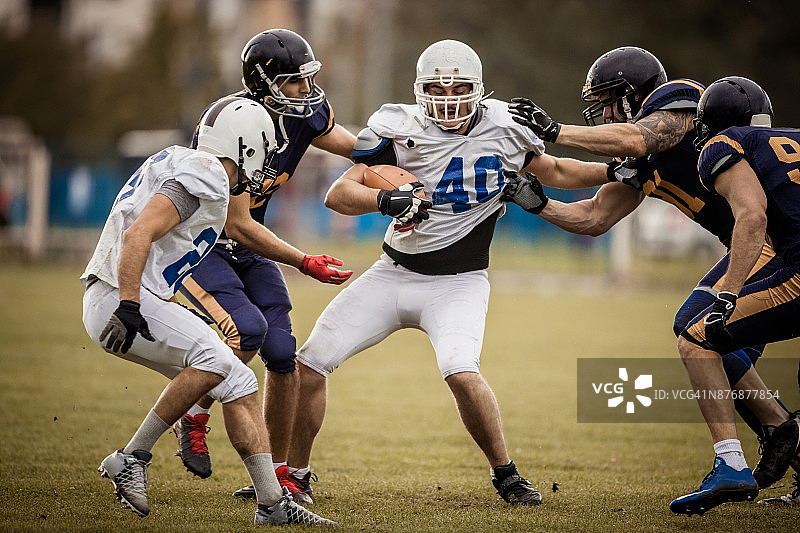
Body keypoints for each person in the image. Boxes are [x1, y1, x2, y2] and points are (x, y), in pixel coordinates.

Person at [504, 46, 796, 495]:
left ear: (631, 93)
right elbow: (594, 216)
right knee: (712, 347)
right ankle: (779, 432)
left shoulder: (677, 102)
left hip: (771, 245)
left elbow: (639, 138)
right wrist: (541, 204)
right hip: (755, 246)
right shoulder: (642, 160)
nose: (601, 113)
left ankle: (763, 441)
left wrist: (557, 129)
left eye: (606, 101)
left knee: (696, 332)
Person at [277, 38, 547, 507]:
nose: (448, 99)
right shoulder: (397, 128)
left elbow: (559, 169)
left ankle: (506, 474)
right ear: (419, 90)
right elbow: (338, 194)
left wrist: (612, 171)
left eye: (459, 88)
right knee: (310, 362)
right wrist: (385, 199)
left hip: (458, 282)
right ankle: (294, 475)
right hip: (392, 272)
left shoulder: (506, 126)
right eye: (437, 90)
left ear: (478, 89)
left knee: (461, 372)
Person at [82, 97, 336, 527]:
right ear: (246, 147)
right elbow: (140, 232)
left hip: (133, 294)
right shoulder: (206, 175)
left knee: (237, 379)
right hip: (121, 297)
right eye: (264, 150)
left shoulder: (193, 164)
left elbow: (238, 226)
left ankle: (272, 505)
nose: (267, 163)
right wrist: (128, 304)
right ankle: (131, 458)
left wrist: (302, 260)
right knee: (217, 359)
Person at [175, 29, 356, 502]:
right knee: (248, 331)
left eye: (307, 79)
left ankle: (278, 475)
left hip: (250, 245)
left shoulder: (305, 113)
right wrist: (303, 260)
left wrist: (411, 154)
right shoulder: (231, 122)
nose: (307, 90)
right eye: (295, 81)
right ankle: (191, 415)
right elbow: (234, 224)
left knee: (281, 351)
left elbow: (352, 145)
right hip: (205, 244)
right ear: (266, 82)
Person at [669, 76, 800, 514]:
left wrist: (728, 294)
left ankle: (730, 465)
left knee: (697, 336)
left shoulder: (721, 145)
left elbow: (753, 216)